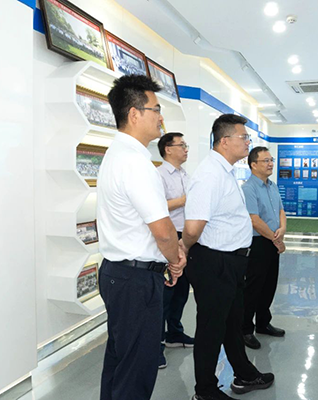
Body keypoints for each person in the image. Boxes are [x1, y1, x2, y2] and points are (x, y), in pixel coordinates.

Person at [96, 74, 186, 400]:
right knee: (136, 370)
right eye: (156, 109)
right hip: (135, 280)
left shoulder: (116, 155)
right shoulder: (136, 163)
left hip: (118, 274)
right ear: (134, 114)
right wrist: (176, 261)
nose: (161, 117)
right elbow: (162, 231)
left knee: (120, 361)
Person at [182, 114, 274, 400]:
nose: (248, 142)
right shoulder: (209, 174)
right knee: (211, 329)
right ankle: (205, 391)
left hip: (231, 262)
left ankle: (244, 373)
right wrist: (183, 249)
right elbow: (193, 227)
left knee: (232, 323)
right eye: (244, 137)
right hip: (214, 262)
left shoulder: (226, 172)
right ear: (224, 141)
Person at [240, 146, 287, 350]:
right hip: (258, 242)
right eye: (265, 161)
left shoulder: (273, 186)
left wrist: (282, 229)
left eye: (271, 160)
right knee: (253, 287)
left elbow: (281, 211)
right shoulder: (248, 188)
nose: (270, 164)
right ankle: (245, 329)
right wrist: (276, 240)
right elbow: (254, 219)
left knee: (269, 285)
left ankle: (263, 323)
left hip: (273, 239)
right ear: (253, 165)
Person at [156, 132, 194, 369]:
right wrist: (183, 200)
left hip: (186, 236)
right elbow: (156, 207)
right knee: (165, 292)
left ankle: (174, 332)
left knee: (181, 289)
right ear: (168, 149)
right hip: (169, 236)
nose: (186, 149)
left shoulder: (186, 175)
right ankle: (156, 344)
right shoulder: (158, 175)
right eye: (182, 145)